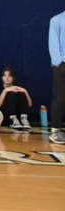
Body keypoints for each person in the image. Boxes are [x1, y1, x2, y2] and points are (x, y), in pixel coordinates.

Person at [0, 66, 32, 131]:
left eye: (9, 75)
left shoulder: (17, 88)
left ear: (13, 78)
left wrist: (25, 92)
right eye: (5, 75)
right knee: (10, 94)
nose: (7, 77)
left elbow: (30, 104)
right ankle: (12, 120)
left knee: (21, 93)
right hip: (6, 115)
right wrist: (5, 90)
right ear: (2, 78)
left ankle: (24, 119)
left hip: (18, 115)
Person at [50, 10, 65, 144]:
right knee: (60, 97)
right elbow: (53, 43)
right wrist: (58, 64)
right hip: (62, 65)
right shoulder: (57, 20)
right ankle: (55, 130)